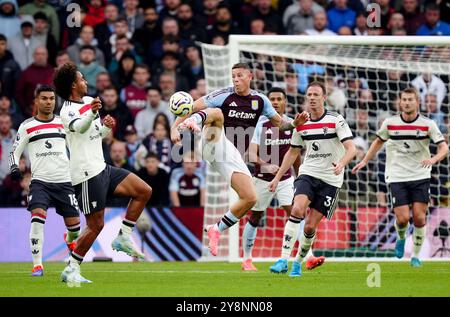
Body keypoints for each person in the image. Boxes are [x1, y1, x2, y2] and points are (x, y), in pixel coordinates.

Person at [172, 62, 309, 256]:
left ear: (250, 76)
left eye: (239, 76)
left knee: (250, 197)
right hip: (212, 142)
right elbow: (188, 107)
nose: (236, 80)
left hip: (231, 154)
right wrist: (174, 129)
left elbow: (281, 125)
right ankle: (194, 123)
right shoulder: (224, 95)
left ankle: (216, 229)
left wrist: (295, 123)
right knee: (217, 113)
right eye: (233, 76)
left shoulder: (261, 101)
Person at [53, 63, 152, 284]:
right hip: (86, 173)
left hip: (102, 167)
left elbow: (94, 133)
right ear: (72, 85)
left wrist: (106, 126)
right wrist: (93, 113)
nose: (85, 82)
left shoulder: (88, 102)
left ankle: (123, 237)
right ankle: (72, 268)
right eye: (81, 79)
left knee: (143, 190)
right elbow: (80, 127)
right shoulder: (66, 111)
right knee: (96, 225)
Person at [352, 87, 448, 267]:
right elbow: (377, 142)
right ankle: (401, 237)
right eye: (404, 99)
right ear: (400, 102)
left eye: (410, 99)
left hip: (420, 175)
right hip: (397, 176)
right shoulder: (390, 123)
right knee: (403, 219)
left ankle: (416, 256)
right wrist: (365, 161)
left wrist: (433, 159)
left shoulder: (428, 124)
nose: (406, 102)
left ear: (417, 102)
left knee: (419, 218)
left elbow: (444, 148)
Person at [269, 81, 357, 277]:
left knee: (309, 227)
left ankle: (298, 263)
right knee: (297, 209)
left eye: (316, 94)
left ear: (324, 97)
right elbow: (292, 153)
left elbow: (352, 148)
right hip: (308, 173)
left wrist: (342, 163)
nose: (312, 98)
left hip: (331, 181)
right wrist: (277, 177)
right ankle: (283, 259)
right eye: (309, 94)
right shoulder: (301, 123)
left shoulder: (336, 120)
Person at [242, 87, 324, 271]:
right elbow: (250, 155)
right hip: (262, 178)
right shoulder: (260, 124)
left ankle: (308, 256)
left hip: (286, 179)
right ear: (268, 103)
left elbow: (295, 154)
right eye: (272, 99)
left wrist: (300, 176)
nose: (276, 102)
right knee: (255, 216)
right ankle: (247, 259)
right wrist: (266, 165)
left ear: (285, 102)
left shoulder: (292, 124)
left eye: (280, 98)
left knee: (296, 213)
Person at [8, 85, 81, 277]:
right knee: (37, 219)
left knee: (75, 228)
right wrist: (14, 167)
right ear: (36, 101)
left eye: (51, 99)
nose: (48, 102)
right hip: (40, 182)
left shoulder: (63, 122)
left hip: (65, 181)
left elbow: (76, 146)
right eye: (44, 99)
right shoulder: (27, 126)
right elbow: (14, 151)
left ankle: (69, 237)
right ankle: (37, 265)